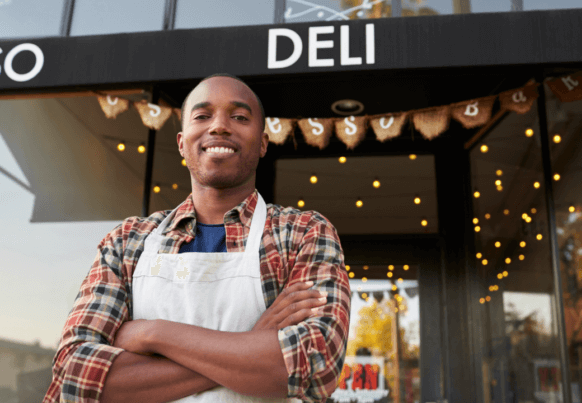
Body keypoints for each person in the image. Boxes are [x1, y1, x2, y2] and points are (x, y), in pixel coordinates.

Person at [43, 74, 351, 403]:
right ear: (181, 142)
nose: (219, 126)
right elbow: (74, 378)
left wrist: (153, 333)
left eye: (240, 117)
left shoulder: (303, 232)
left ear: (262, 143)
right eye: (202, 116)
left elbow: (317, 366)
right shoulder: (127, 241)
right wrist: (252, 343)